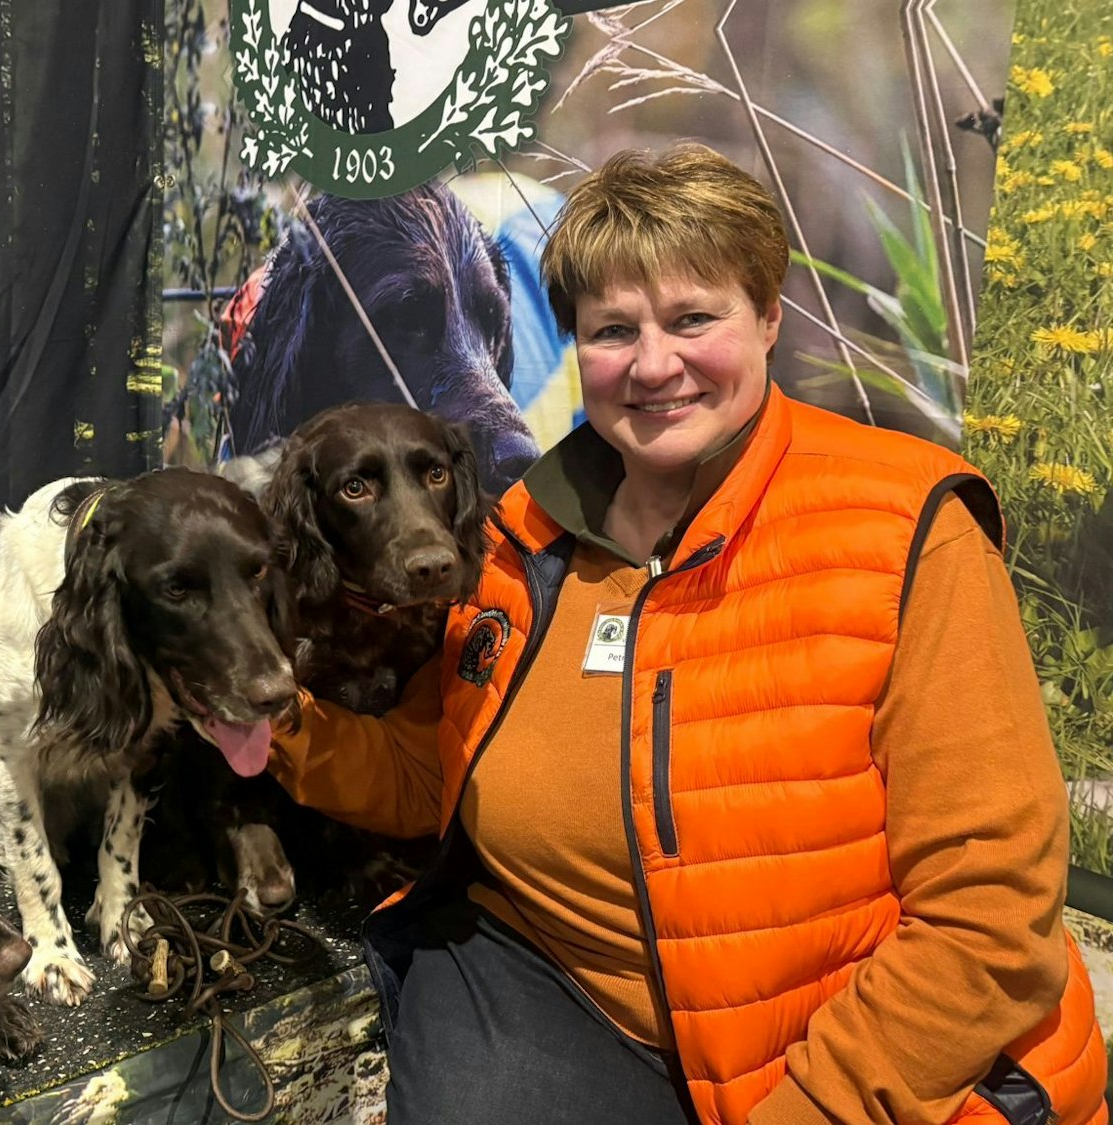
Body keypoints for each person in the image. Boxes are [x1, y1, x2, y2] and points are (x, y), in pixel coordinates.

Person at [266, 144, 1107, 1125]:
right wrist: (267, 719)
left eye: (692, 318)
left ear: (767, 320)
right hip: (550, 986)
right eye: (611, 329)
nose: (651, 363)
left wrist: (811, 1110)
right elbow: (428, 775)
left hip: (836, 1052)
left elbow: (987, 923)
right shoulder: (516, 537)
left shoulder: (903, 528)